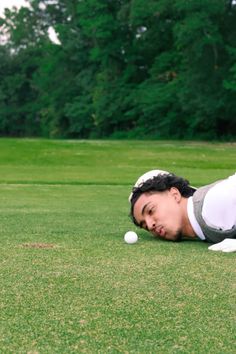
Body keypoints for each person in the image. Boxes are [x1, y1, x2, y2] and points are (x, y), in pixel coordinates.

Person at [129, 170, 236, 253]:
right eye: (145, 226)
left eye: (151, 210)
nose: (150, 224)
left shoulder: (211, 205)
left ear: (174, 194)